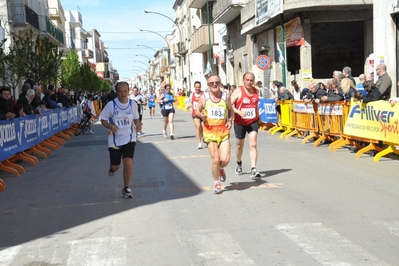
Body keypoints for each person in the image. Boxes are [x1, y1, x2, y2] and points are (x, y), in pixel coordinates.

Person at [99, 81, 142, 199]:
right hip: (115, 140)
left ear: (128, 92)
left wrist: (138, 125)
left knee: (128, 162)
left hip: (129, 137)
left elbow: (136, 119)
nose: (123, 94)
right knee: (116, 166)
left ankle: (126, 188)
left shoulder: (133, 104)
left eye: (125, 91)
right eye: (120, 92)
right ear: (117, 92)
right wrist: (110, 126)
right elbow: (103, 119)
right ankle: (112, 168)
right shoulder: (111, 105)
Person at [195, 74, 234, 194]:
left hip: (223, 131)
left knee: (226, 160)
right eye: (211, 83)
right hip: (209, 131)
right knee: (216, 160)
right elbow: (197, 109)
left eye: (217, 82)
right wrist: (201, 115)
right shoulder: (204, 97)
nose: (214, 85)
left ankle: (221, 169)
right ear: (208, 85)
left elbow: (231, 111)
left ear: (220, 83)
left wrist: (230, 120)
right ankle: (216, 182)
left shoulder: (226, 97)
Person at [230, 72, 262, 180]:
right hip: (240, 122)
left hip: (253, 121)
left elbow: (255, 105)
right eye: (247, 80)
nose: (249, 82)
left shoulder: (256, 91)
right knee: (239, 145)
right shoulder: (238, 91)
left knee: (253, 144)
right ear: (243, 80)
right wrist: (238, 112)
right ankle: (239, 163)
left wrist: (259, 117)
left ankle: (253, 169)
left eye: (251, 80)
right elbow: (228, 105)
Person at [187, 81, 205, 149]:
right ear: (194, 87)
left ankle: (203, 136)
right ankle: (199, 143)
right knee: (198, 126)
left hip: (203, 113)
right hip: (195, 113)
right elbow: (192, 103)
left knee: (203, 127)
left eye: (199, 87)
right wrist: (189, 106)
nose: (197, 88)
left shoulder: (204, 94)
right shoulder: (192, 94)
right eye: (196, 87)